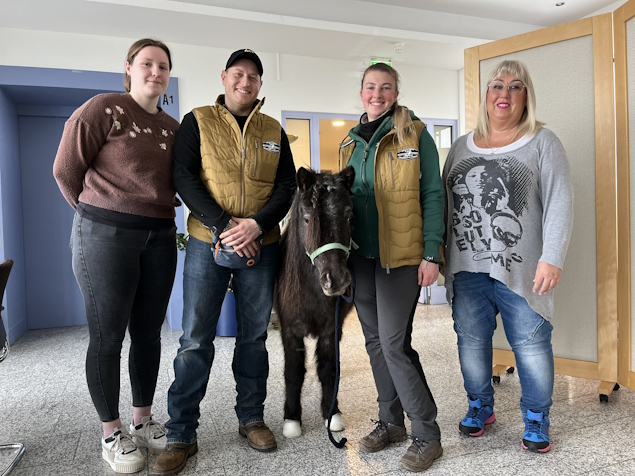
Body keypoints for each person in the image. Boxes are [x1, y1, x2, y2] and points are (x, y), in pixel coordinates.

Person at [151, 49, 296, 476]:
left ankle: (251, 418)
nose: (244, 82)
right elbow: (183, 176)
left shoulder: (273, 129)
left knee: (254, 338)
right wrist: (224, 226)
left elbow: (286, 185)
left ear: (260, 85)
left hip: (262, 245)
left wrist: (255, 226)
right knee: (195, 338)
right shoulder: (197, 120)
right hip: (204, 244)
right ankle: (181, 433)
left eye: (253, 76)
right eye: (238, 74)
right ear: (224, 77)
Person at [53, 39, 180, 473]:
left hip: (161, 236)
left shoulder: (173, 127)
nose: (155, 72)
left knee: (148, 334)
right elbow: (65, 171)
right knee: (107, 338)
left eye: (163, 66)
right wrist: (96, 217)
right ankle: (111, 432)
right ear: (129, 68)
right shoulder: (102, 109)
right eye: (147, 63)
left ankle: (142, 420)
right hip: (104, 237)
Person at [443, 59, 574, 453]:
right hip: (467, 267)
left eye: (516, 87)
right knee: (470, 342)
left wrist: (552, 257)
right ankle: (480, 406)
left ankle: (536, 416)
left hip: (523, 269)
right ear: (486, 96)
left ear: (525, 97)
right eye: (497, 86)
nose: (505, 93)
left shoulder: (542, 142)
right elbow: (443, 204)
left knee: (531, 345)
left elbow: (560, 202)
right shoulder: (461, 146)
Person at [339, 63, 445, 473]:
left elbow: (433, 193)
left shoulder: (415, 135)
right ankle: (391, 421)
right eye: (370, 87)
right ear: (361, 91)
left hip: (402, 257)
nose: (377, 94)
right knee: (374, 343)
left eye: (385, 87)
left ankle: (427, 434)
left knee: (394, 343)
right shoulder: (350, 143)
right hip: (362, 258)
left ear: (396, 92)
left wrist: (432, 253)